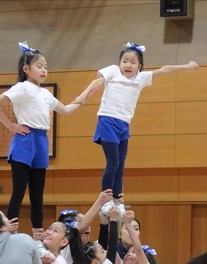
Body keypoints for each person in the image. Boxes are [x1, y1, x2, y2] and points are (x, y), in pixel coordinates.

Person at [74, 42, 198, 216]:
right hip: (107, 121)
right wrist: (83, 95)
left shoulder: (141, 78)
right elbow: (97, 81)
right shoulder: (112, 71)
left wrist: (187, 66)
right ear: (119, 63)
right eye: (125, 61)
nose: (128, 65)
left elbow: (165, 70)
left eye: (132, 62)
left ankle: (117, 200)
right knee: (113, 162)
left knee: (121, 165)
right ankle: (105, 200)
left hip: (123, 125)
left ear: (139, 66)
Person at [0, 41, 82, 240]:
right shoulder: (22, 88)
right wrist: (11, 126)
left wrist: (84, 97)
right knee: (19, 191)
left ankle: (38, 235)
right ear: (26, 69)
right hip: (24, 140)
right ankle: (10, 234)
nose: (44, 70)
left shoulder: (46, 93)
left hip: (41, 141)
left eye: (46, 67)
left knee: (38, 194)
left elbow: (65, 110)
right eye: (39, 66)